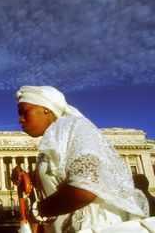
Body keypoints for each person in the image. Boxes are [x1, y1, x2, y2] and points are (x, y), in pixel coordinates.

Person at [11, 85, 148, 233]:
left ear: (46, 108)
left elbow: (86, 187)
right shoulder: (54, 139)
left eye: (24, 112)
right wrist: (29, 176)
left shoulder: (73, 127)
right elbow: (59, 177)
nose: (20, 120)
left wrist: (37, 211)